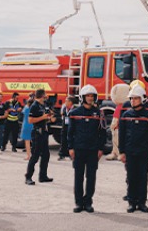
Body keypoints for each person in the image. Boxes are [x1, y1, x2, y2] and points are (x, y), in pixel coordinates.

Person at [119, 85, 148, 213]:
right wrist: (122, 152)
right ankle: (132, 202)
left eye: (136, 98)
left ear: (142, 99)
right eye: (131, 99)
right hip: (130, 152)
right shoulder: (126, 115)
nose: (133, 101)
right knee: (131, 178)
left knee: (142, 178)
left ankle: (142, 203)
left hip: (144, 152)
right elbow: (122, 135)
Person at [67, 85, 106, 213]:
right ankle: (78, 203)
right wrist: (70, 148)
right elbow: (69, 132)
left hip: (93, 151)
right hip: (78, 150)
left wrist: (101, 149)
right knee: (78, 177)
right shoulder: (74, 113)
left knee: (91, 177)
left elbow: (103, 133)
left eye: (92, 96)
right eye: (87, 96)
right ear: (82, 97)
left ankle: (88, 202)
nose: (90, 98)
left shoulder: (99, 113)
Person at [25, 89, 55, 185]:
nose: (46, 96)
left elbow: (47, 116)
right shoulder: (35, 106)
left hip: (44, 132)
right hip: (37, 133)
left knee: (46, 155)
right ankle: (28, 177)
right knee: (35, 156)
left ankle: (42, 176)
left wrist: (50, 118)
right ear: (42, 95)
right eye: (45, 94)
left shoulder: (43, 105)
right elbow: (30, 120)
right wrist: (43, 117)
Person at [58, 96, 75, 161]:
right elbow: (62, 114)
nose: (65, 102)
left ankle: (71, 155)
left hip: (71, 127)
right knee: (63, 140)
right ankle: (62, 154)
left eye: (66, 101)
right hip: (64, 126)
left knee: (71, 140)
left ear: (70, 102)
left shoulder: (74, 109)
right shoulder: (65, 108)